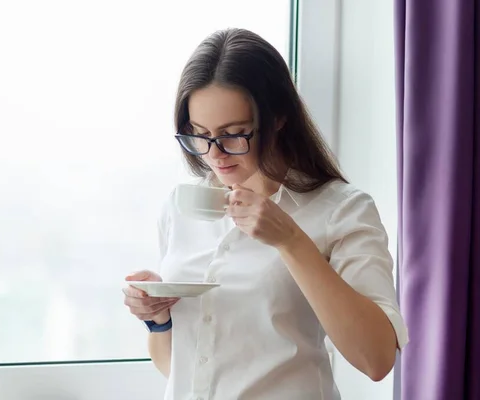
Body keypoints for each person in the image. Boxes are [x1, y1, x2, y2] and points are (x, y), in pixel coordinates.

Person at [123, 28, 408, 400]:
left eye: (233, 134)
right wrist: (157, 320)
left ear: (278, 118)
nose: (214, 154)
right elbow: (178, 370)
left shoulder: (341, 209)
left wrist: (290, 241)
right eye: (200, 135)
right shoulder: (181, 209)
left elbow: (376, 359)